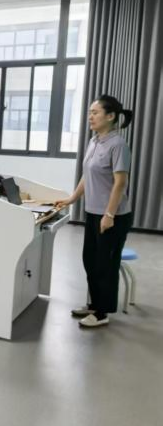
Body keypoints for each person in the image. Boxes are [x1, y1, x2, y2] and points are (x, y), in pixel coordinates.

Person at [56, 95, 134, 328]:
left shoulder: (118, 145)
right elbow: (87, 175)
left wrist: (109, 215)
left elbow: (120, 182)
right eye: (90, 112)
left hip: (113, 216)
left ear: (110, 116)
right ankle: (94, 304)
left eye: (95, 112)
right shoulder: (94, 141)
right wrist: (72, 199)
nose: (90, 116)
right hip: (93, 212)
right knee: (90, 260)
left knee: (105, 265)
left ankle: (102, 312)